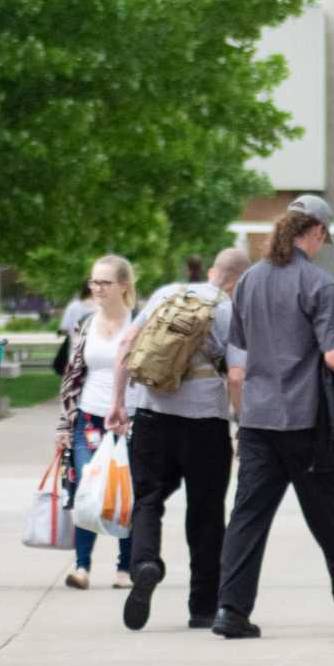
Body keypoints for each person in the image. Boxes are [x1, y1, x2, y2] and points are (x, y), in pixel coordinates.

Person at [212, 194, 334, 639]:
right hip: (307, 423)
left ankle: (231, 610)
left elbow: (241, 344)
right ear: (316, 232)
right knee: (328, 516)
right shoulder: (319, 284)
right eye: (323, 236)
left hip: (258, 419)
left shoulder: (249, 281)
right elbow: (333, 358)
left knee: (247, 516)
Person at [113, 246, 250, 630]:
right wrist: (241, 422)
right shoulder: (228, 310)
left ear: (211, 271)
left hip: (152, 414)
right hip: (204, 422)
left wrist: (119, 403)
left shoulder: (165, 295)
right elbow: (237, 376)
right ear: (238, 281)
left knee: (148, 498)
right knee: (205, 513)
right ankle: (202, 606)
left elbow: (126, 344)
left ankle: (144, 563)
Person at [56, 255, 137, 590]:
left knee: (124, 494)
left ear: (123, 286)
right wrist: (64, 424)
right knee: (88, 489)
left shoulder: (139, 323)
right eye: (94, 282)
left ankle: (125, 567)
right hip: (88, 416)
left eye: (104, 282)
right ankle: (82, 566)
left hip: (130, 420)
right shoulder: (86, 324)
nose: (97, 288)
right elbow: (72, 375)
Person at [53, 282, 94, 376]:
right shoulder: (102, 307)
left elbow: (63, 330)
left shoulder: (74, 306)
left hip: (76, 353)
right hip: (96, 354)